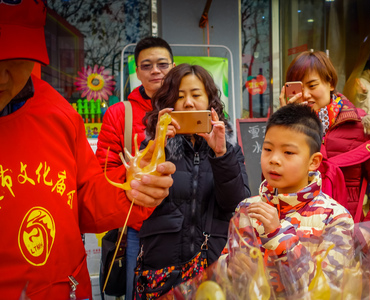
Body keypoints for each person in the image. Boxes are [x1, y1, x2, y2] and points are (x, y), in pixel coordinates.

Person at [0, 1, 175, 299]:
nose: (2, 77)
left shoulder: (59, 114)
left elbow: (84, 198)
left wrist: (130, 190)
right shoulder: (119, 113)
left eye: (14, 59)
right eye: (147, 65)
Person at [135, 64, 251, 299]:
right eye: (179, 97)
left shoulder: (229, 149)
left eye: (196, 95)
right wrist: (157, 146)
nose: (188, 103)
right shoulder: (152, 147)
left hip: (214, 268)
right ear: (169, 104)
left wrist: (221, 155)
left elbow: (238, 204)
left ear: (210, 101)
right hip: (162, 270)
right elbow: (137, 200)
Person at [219, 103, 354, 298]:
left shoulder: (335, 218)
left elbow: (330, 291)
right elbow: (226, 267)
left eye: (288, 152)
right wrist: (229, 267)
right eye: (267, 149)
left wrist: (278, 236)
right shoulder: (247, 208)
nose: (274, 159)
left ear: (313, 162)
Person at [95, 36, 175, 300]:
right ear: (137, 71)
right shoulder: (120, 114)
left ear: (173, 67)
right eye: (147, 65)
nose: (155, 70)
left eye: (162, 64)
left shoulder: (189, 109)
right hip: (139, 229)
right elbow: (103, 171)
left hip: (187, 226)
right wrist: (133, 174)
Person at [279, 50, 370, 222]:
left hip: (345, 234)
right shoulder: (286, 127)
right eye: (299, 88)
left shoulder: (360, 125)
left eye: (312, 85)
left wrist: (364, 232)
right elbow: (273, 181)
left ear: (330, 83)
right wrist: (286, 123)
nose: (306, 94)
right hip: (297, 233)